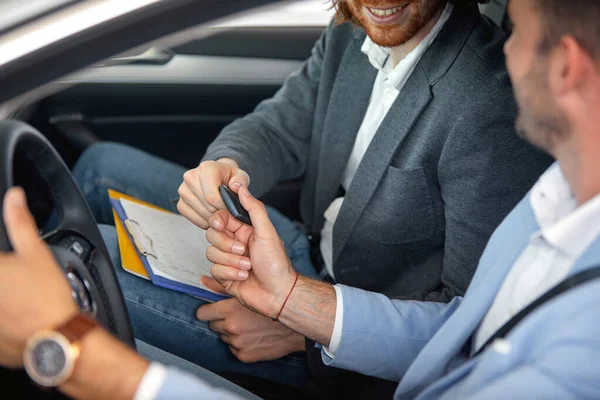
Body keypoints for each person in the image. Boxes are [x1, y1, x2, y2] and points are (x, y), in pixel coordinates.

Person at [2, 2, 600, 398]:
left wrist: (298, 329)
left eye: (516, 31)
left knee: (81, 261)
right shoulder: (351, 33)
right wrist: (225, 172)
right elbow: (280, 124)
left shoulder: (486, 103)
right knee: (102, 165)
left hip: (338, 344)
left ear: (567, 66)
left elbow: (456, 323)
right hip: (305, 259)